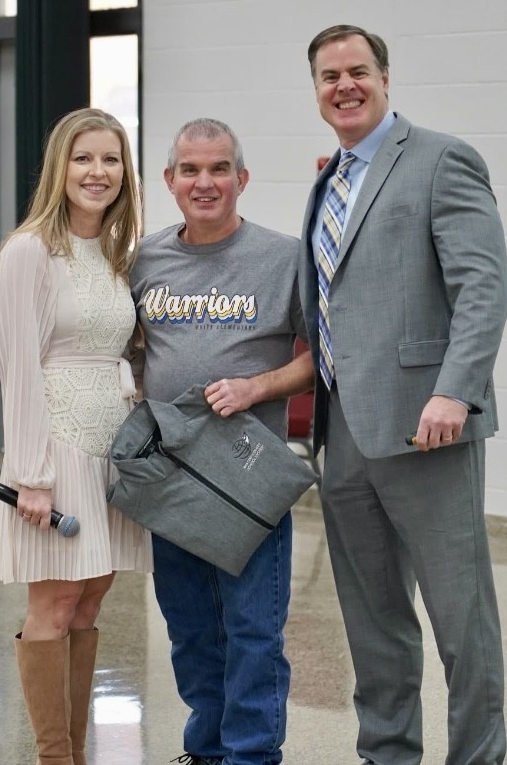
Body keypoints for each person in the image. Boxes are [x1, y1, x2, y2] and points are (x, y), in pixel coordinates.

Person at [299, 25, 507, 764]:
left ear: (386, 78)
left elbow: (482, 288)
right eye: (330, 76)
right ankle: (387, 754)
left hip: (430, 426)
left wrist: (456, 392)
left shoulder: (440, 159)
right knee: (373, 618)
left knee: (462, 620)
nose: (345, 85)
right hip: (345, 429)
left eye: (358, 71)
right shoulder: (330, 176)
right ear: (317, 89)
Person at [130, 118, 313, 765]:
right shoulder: (145, 259)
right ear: (170, 180)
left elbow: (324, 357)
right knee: (190, 631)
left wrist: (256, 387)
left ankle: (251, 756)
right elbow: (124, 350)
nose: (203, 182)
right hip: (170, 479)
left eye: (217, 170)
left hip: (248, 479)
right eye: (190, 170)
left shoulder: (283, 257)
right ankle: (206, 750)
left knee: (253, 630)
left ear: (241, 178)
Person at [0, 108, 152, 765]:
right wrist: (30, 472)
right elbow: (18, 365)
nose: (98, 171)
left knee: (90, 598)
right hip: (55, 449)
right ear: (60, 167)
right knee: (55, 602)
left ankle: (77, 753)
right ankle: (54, 758)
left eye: (111, 159)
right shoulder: (29, 250)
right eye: (84, 158)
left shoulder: (117, 253)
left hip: (111, 452)